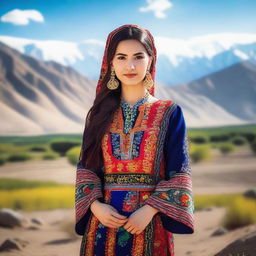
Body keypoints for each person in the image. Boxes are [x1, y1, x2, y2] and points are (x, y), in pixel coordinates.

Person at [75, 24, 194, 256]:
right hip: (102, 225)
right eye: (121, 57)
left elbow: (180, 173)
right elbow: (86, 169)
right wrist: (95, 206)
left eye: (138, 57)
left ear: (151, 60)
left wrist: (149, 210)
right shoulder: (98, 115)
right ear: (111, 63)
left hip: (150, 223)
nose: (130, 66)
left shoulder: (169, 112)